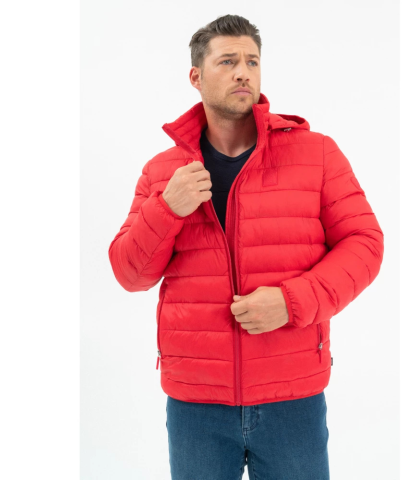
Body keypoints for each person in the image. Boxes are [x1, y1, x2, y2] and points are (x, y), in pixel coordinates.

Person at [108, 14, 384, 480]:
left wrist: (292, 301)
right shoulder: (162, 173)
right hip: (196, 403)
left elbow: (365, 243)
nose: (243, 72)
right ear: (196, 77)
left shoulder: (316, 153)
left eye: (252, 62)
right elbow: (130, 274)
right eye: (228, 61)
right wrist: (167, 208)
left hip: (291, 396)